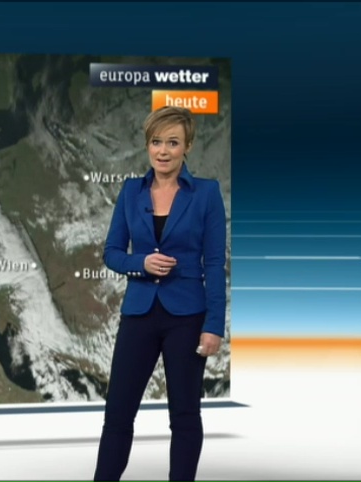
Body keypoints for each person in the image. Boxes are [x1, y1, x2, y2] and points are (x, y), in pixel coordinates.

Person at [93, 105, 227, 481]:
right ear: (147, 145)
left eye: (172, 142)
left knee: (184, 415)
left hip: (187, 317)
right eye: (156, 142)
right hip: (139, 313)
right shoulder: (130, 191)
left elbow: (215, 264)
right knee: (118, 414)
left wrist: (213, 325)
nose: (163, 151)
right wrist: (142, 263)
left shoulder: (206, 194)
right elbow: (112, 253)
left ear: (187, 147)